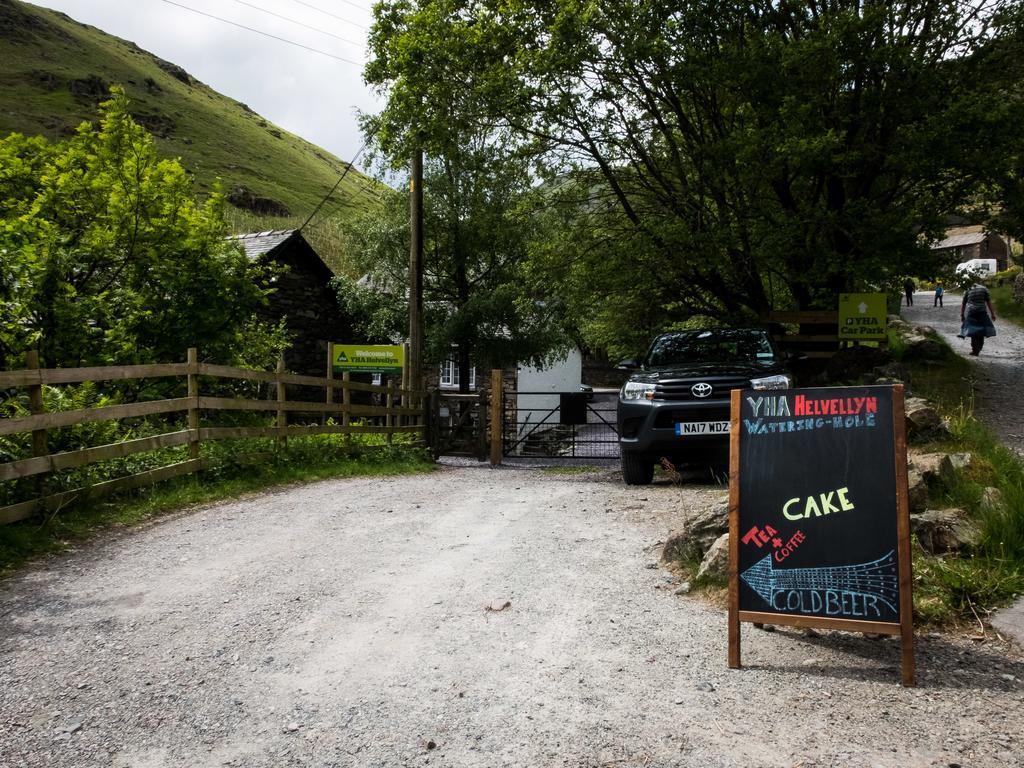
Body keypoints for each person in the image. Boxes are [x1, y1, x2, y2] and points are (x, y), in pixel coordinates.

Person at [959, 282, 997, 356]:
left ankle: (975, 350)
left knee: (973, 331)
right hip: (982, 312)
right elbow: (989, 302)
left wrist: (962, 315)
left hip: (971, 313)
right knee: (982, 330)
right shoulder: (984, 289)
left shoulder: (968, 290)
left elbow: (963, 303)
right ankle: (978, 348)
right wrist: (992, 314)